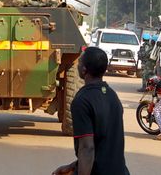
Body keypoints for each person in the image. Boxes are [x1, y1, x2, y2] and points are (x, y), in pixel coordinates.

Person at [52, 47, 129, 175]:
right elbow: (103, 146)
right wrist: (72, 166)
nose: (78, 64)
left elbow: (87, 148)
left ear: (84, 69)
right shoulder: (112, 96)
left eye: (80, 61)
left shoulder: (82, 101)